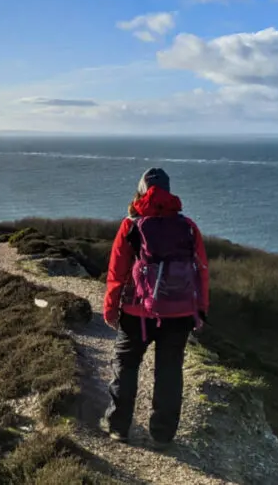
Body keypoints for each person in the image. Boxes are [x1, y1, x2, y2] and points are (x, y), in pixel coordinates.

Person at [100, 167, 209, 449]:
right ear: (169, 192)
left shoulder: (132, 225)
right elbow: (201, 271)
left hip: (137, 313)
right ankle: (162, 435)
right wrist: (201, 309)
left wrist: (111, 307)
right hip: (180, 312)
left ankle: (118, 427)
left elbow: (117, 271)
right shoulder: (187, 226)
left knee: (126, 365)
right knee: (170, 371)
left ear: (140, 191)